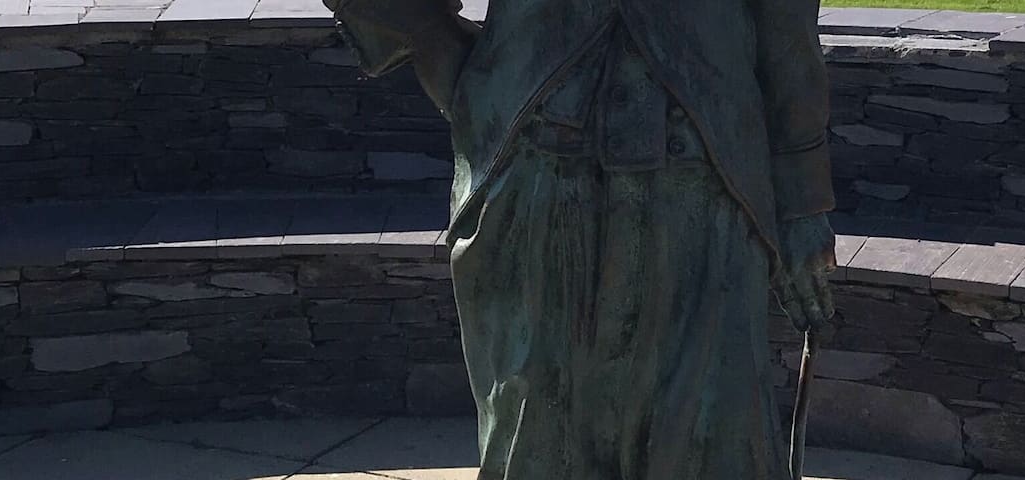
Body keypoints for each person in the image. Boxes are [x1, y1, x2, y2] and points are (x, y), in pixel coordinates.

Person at [327, 0, 838, 477]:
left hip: (707, 185)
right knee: (540, 440)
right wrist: (436, 48)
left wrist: (802, 202)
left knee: (713, 446)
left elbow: (786, 27)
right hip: (535, 175)